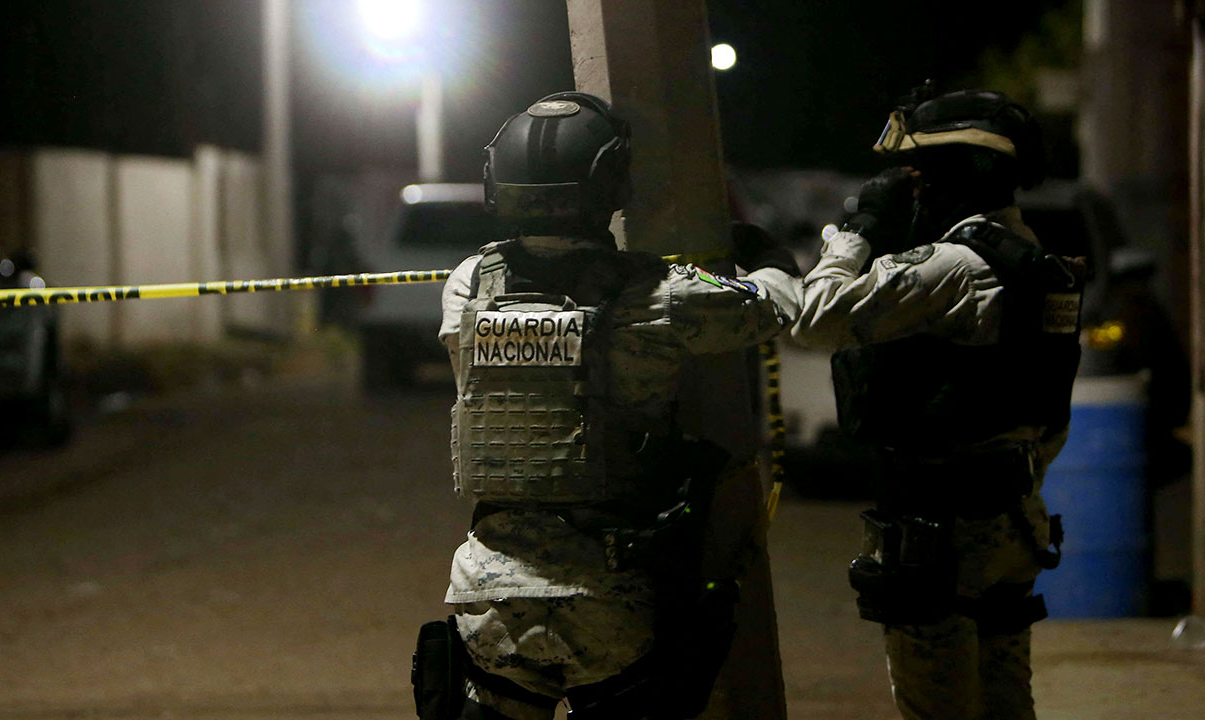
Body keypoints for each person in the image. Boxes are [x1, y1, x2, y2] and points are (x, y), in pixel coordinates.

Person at [411, 91, 802, 720]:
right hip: (612, 593)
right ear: (611, 182)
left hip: (488, 596)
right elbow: (773, 307)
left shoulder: (469, 283)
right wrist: (770, 259)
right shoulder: (656, 292)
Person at [789, 86, 1086, 720]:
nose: (910, 187)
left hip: (943, 531)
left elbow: (815, 319)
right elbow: (1048, 409)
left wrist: (856, 234)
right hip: (1012, 519)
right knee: (1006, 704)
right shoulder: (1032, 259)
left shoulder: (956, 264)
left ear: (964, 170)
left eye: (921, 173)